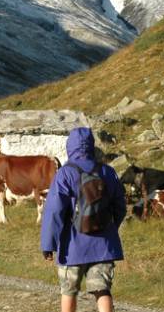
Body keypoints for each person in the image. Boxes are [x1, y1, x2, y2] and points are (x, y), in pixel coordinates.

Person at [40, 127, 127, 312]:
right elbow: (120, 207)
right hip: (103, 245)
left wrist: (49, 244)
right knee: (102, 290)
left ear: (69, 146)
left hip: (71, 246)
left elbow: (54, 211)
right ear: (91, 146)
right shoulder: (108, 172)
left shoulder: (64, 174)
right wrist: (110, 228)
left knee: (69, 291)